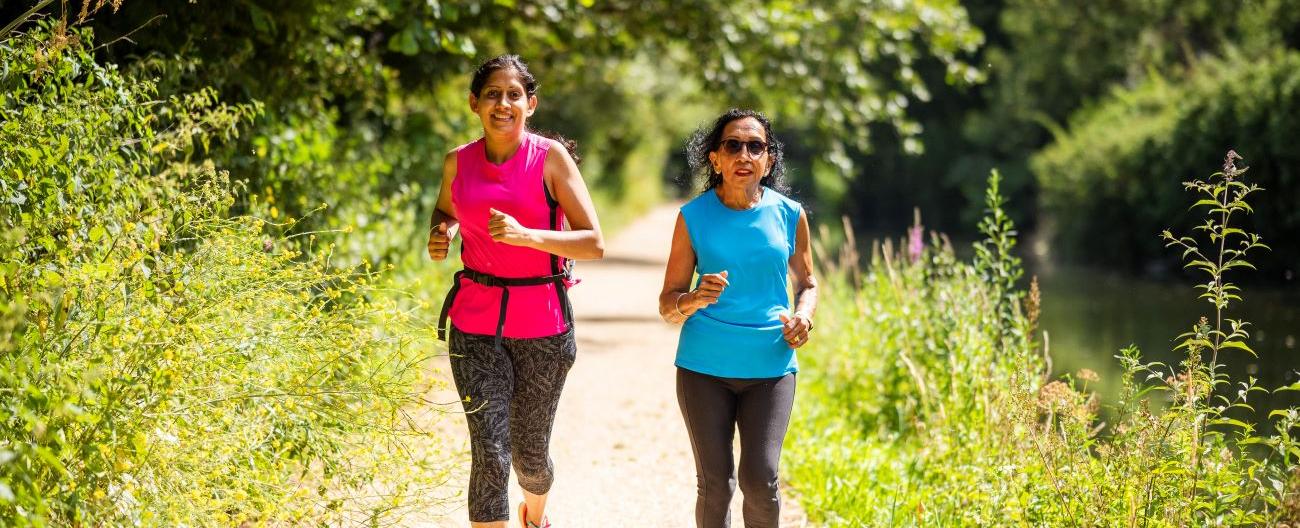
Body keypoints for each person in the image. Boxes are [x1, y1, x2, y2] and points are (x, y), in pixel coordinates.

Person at [428, 54, 604, 528]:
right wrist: (441, 231)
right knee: (489, 450)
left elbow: (593, 242)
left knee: (530, 455)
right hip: (474, 321)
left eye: (513, 95)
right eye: (492, 94)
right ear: (474, 103)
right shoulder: (457, 162)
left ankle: (535, 516)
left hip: (543, 324)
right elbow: (445, 209)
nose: (502, 103)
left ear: (531, 104)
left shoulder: (550, 159)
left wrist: (528, 236)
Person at [658, 108, 818, 528]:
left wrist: (803, 316)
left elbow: (809, 283)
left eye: (755, 146)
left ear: (769, 160)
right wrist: (694, 298)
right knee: (716, 484)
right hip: (704, 366)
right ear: (715, 158)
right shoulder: (693, 217)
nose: (744, 154)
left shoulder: (790, 214)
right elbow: (667, 303)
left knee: (760, 480)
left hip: (771, 365)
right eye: (733, 145)